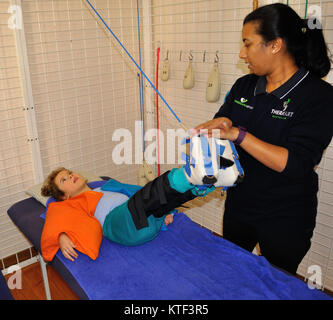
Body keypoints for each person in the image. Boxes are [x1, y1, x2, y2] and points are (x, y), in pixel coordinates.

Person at [191, 3, 333, 275]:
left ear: (275, 45)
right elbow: (225, 124)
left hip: (286, 215)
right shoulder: (245, 85)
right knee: (233, 273)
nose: (242, 54)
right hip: (240, 206)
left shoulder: (319, 97)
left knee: (275, 284)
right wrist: (216, 132)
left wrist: (239, 135)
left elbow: (295, 164)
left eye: (248, 43)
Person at [40, 135, 242, 262]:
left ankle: (209, 182)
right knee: (145, 198)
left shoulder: (106, 186)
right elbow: (58, 220)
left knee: (163, 198)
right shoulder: (71, 204)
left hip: (144, 221)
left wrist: (168, 212)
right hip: (119, 225)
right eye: (64, 179)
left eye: (68, 172)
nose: (70, 175)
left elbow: (139, 190)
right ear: (64, 196)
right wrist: (61, 236)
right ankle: (192, 173)